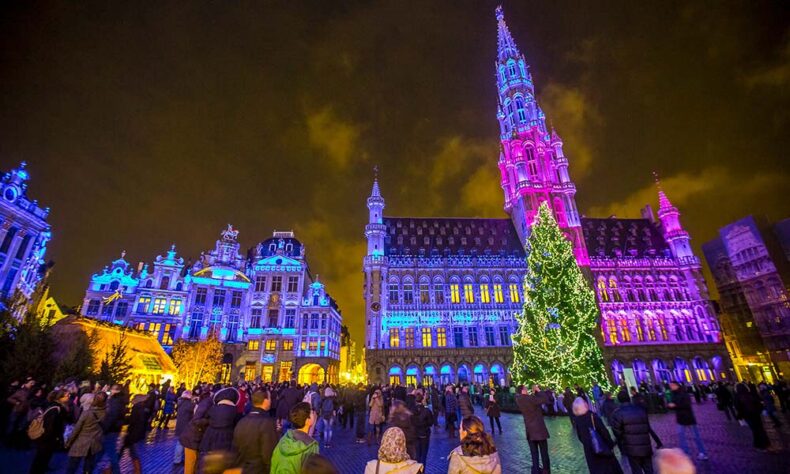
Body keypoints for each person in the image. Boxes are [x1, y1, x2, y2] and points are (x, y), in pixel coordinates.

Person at [610, 391, 661, 474]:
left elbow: (617, 432)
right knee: (649, 469)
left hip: (631, 448)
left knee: (636, 470)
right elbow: (647, 427)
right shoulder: (640, 409)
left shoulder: (617, 413)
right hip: (645, 444)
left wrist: (620, 443)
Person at [572, 397, 623, 474]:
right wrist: (610, 444)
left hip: (590, 452)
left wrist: (588, 443)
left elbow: (580, 437)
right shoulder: (593, 416)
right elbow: (604, 432)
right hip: (602, 449)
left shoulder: (577, 420)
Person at [233, 389, 277, 473]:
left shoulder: (242, 421)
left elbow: (235, 447)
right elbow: (269, 453)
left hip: (243, 468)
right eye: (270, 398)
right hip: (259, 469)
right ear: (265, 400)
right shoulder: (267, 423)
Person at [29, 389, 71, 474]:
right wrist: (54, 438)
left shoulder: (60, 406)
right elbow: (50, 425)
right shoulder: (56, 408)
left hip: (50, 438)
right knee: (41, 457)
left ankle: (42, 469)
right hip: (47, 438)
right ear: (60, 398)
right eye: (67, 395)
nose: (69, 396)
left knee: (45, 456)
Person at [271, 402, 319, 474]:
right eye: (312, 413)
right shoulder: (311, 447)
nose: (314, 414)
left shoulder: (284, 439)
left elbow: (274, 465)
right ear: (307, 420)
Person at [64, 391, 106, 474]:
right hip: (94, 442)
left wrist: (68, 442)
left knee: (73, 464)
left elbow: (77, 429)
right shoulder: (103, 412)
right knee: (89, 464)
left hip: (81, 442)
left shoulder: (86, 413)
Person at [515, 385, 551, 474]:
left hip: (530, 431)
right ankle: (546, 471)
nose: (527, 390)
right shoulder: (529, 398)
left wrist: (535, 394)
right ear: (522, 390)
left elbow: (535, 402)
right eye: (526, 389)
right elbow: (545, 399)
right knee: (544, 453)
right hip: (539, 430)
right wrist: (538, 390)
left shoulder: (519, 400)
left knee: (534, 454)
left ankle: (536, 470)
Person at [667, 381, 707, 460]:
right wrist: (670, 406)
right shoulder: (673, 394)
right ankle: (685, 453)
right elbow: (673, 404)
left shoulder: (684, 393)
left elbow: (687, 405)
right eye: (670, 386)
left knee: (696, 436)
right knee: (681, 437)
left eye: (672, 385)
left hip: (689, 418)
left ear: (676, 385)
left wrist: (675, 405)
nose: (671, 387)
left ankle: (703, 452)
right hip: (680, 418)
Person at [201, 387, 240, 454]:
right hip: (226, 438)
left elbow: (206, 418)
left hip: (210, 436)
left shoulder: (213, 408)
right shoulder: (235, 411)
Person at [97, 385, 125, 474]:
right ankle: (91, 467)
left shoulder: (115, 401)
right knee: (102, 451)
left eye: (112, 389)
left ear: (117, 391)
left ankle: (116, 471)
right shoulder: (120, 400)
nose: (111, 391)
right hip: (115, 428)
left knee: (111, 452)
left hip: (111, 429)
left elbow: (112, 416)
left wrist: (105, 428)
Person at [733, 382, 770, 451]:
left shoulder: (737, 397)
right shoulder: (750, 394)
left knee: (754, 430)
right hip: (755, 414)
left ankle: (759, 445)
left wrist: (740, 417)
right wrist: (759, 410)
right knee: (760, 428)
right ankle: (765, 443)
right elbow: (758, 403)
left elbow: (738, 408)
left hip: (748, 416)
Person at [120, 394, 149, 474]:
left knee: (132, 453)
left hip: (133, 434)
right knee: (132, 452)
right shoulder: (142, 408)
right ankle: (137, 470)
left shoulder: (137, 408)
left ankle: (137, 471)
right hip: (136, 434)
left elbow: (134, 421)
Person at [411, 391, 433, 466]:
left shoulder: (412, 410)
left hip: (415, 434)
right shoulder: (427, 411)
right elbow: (431, 422)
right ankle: (422, 469)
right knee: (423, 454)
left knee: (417, 453)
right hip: (424, 434)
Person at [173, 389, 194, 465]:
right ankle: (183, 459)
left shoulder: (180, 402)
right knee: (185, 444)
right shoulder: (189, 404)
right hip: (186, 427)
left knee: (179, 443)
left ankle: (177, 459)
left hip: (179, 426)